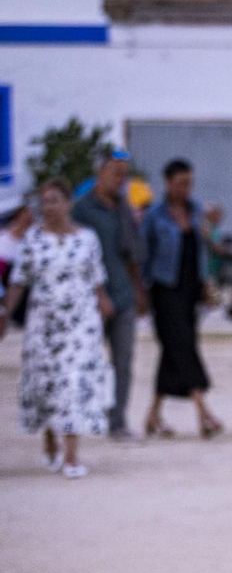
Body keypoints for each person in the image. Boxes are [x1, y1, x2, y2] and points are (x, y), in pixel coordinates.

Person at [0, 179, 114, 478]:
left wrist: (103, 300)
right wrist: (5, 314)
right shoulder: (33, 240)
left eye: (54, 200)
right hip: (44, 324)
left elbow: (96, 275)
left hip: (80, 324)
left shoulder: (87, 238)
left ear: (68, 203)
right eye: (44, 201)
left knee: (74, 382)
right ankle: (51, 435)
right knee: (49, 384)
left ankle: (72, 455)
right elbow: (18, 281)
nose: (49, 206)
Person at [141, 158, 223, 438]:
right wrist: (141, 290)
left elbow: (206, 245)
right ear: (168, 183)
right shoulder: (155, 215)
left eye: (189, 183)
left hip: (191, 288)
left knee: (173, 350)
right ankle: (203, 410)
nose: (186, 188)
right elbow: (144, 254)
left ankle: (153, 414)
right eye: (180, 183)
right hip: (164, 289)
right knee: (183, 344)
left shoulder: (197, 210)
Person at [72, 150, 146, 439]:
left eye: (124, 173)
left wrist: (139, 292)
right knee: (86, 360)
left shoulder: (124, 208)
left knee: (124, 361)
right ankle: (82, 416)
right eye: (116, 173)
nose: (121, 179)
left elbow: (132, 255)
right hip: (89, 300)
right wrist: (97, 294)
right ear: (99, 173)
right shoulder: (81, 210)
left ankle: (118, 421)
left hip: (124, 294)